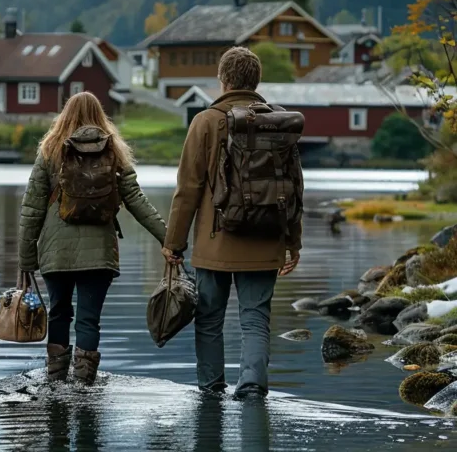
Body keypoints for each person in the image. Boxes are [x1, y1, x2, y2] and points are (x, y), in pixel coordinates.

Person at [162, 47, 303, 398]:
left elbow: (188, 189)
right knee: (255, 318)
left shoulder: (206, 121)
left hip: (215, 242)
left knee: (209, 320)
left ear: (223, 81)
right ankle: (253, 386)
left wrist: (173, 242)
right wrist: (292, 242)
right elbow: (295, 186)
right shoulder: (278, 123)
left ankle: (211, 389)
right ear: (256, 81)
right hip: (267, 236)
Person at [18, 91, 167, 385]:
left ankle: (56, 383)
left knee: (59, 313)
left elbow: (32, 208)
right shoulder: (113, 151)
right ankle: (84, 386)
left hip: (55, 252)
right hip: (99, 253)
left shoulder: (50, 150)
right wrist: (169, 238)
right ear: (101, 115)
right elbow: (136, 200)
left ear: (65, 114)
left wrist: (26, 259)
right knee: (89, 319)